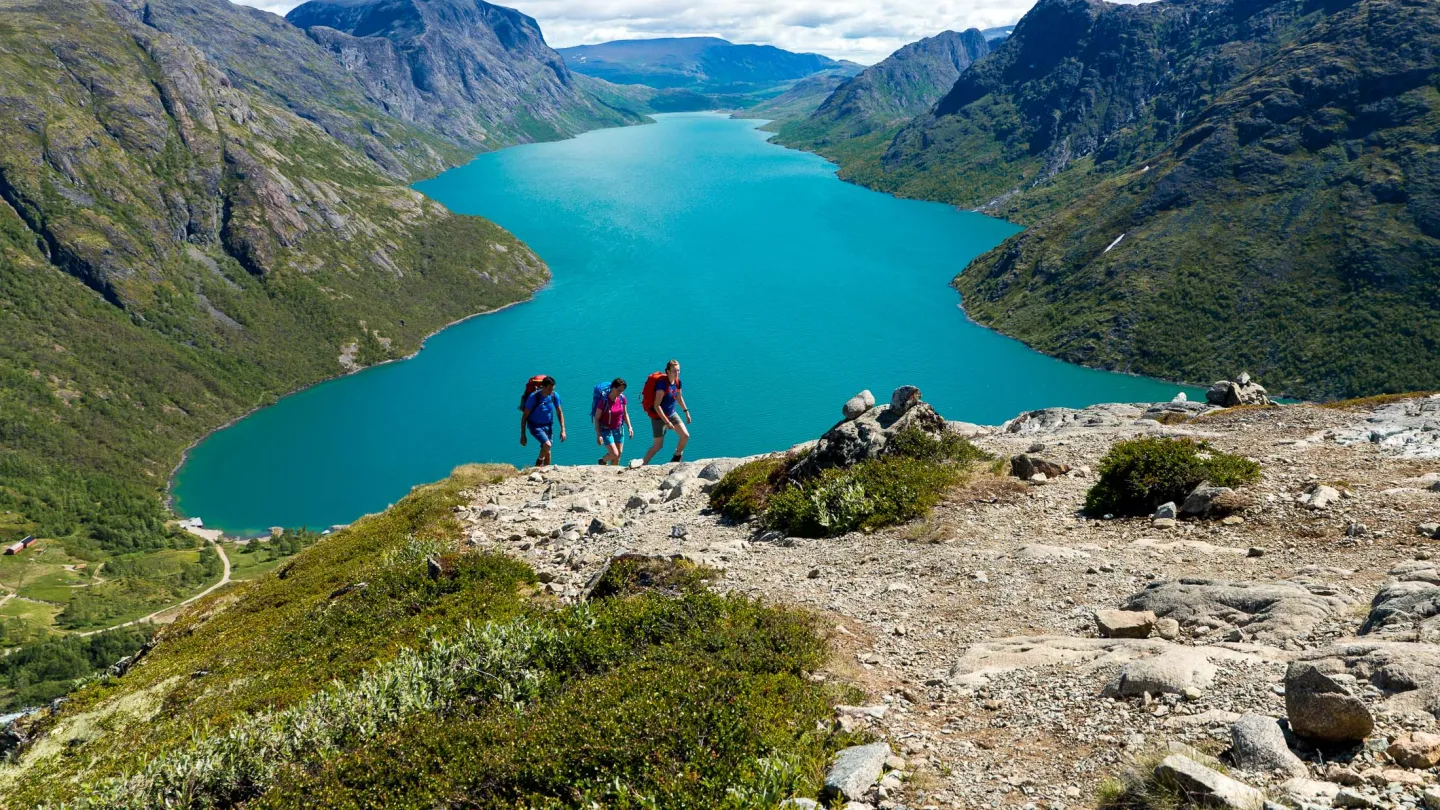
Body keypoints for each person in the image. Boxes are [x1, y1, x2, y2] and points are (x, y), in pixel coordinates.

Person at [642, 359, 691, 465]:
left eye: (678, 370)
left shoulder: (677, 382)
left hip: (671, 413)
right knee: (657, 446)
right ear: (668, 371)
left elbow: (679, 397)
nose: (677, 373)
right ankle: (643, 463)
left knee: (685, 435)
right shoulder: (662, 385)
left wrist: (686, 411)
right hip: (659, 416)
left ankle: (677, 456)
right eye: (674, 370)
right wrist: (667, 422)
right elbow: (656, 406)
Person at [519, 376, 565, 467]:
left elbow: (559, 412)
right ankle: (538, 464)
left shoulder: (554, 396)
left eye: (553, 389)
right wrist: (523, 434)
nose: (551, 391)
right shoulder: (534, 398)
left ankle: (546, 471)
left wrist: (563, 429)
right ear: (543, 387)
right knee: (547, 445)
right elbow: (524, 417)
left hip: (548, 426)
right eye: (549, 389)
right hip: (535, 426)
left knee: (548, 451)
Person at [593, 378, 634, 466]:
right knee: (614, 454)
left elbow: (625, 414)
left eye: (622, 391)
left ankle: (613, 473)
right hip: (606, 430)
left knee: (618, 455)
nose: (620, 392)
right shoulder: (604, 401)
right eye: (619, 390)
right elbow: (596, 418)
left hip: (619, 429)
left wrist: (630, 427)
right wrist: (598, 435)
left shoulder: (622, 398)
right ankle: (602, 460)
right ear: (612, 388)